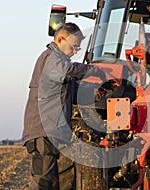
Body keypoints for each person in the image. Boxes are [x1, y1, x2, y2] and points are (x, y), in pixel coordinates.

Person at [22, 22, 105, 190]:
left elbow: (73, 92)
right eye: (74, 47)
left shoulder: (58, 64)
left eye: (78, 48)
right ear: (60, 40)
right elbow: (68, 70)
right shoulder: (51, 58)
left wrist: (98, 93)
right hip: (42, 131)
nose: (75, 52)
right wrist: (93, 70)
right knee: (43, 182)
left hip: (53, 131)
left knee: (55, 182)